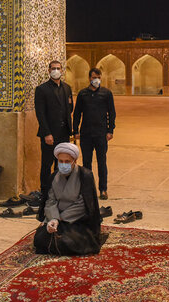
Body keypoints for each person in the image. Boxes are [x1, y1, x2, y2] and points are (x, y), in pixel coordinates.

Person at [34, 142, 102, 256]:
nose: (63, 164)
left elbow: (83, 204)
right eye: (61, 161)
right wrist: (53, 219)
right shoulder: (54, 177)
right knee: (39, 240)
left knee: (68, 242)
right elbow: (50, 201)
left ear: (74, 161)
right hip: (56, 218)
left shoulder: (85, 175)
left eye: (67, 161)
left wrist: (60, 218)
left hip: (76, 220)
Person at [35, 60, 74, 213]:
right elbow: (40, 113)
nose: (56, 71)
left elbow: (69, 108)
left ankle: (61, 193)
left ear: (62, 70)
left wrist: (70, 130)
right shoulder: (42, 89)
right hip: (49, 135)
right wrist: (47, 133)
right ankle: (45, 195)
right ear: (48, 70)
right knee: (47, 165)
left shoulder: (67, 88)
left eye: (58, 68)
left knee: (62, 164)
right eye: (53, 68)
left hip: (64, 133)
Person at [73, 68, 116, 200]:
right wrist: (75, 131)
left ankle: (103, 189)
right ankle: (87, 190)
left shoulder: (106, 93)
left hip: (101, 134)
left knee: (102, 162)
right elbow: (77, 114)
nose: (96, 79)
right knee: (86, 163)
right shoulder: (83, 94)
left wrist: (110, 130)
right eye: (93, 77)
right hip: (86, 134)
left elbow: (112, 113)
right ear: (89, 78)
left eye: (98, 77)